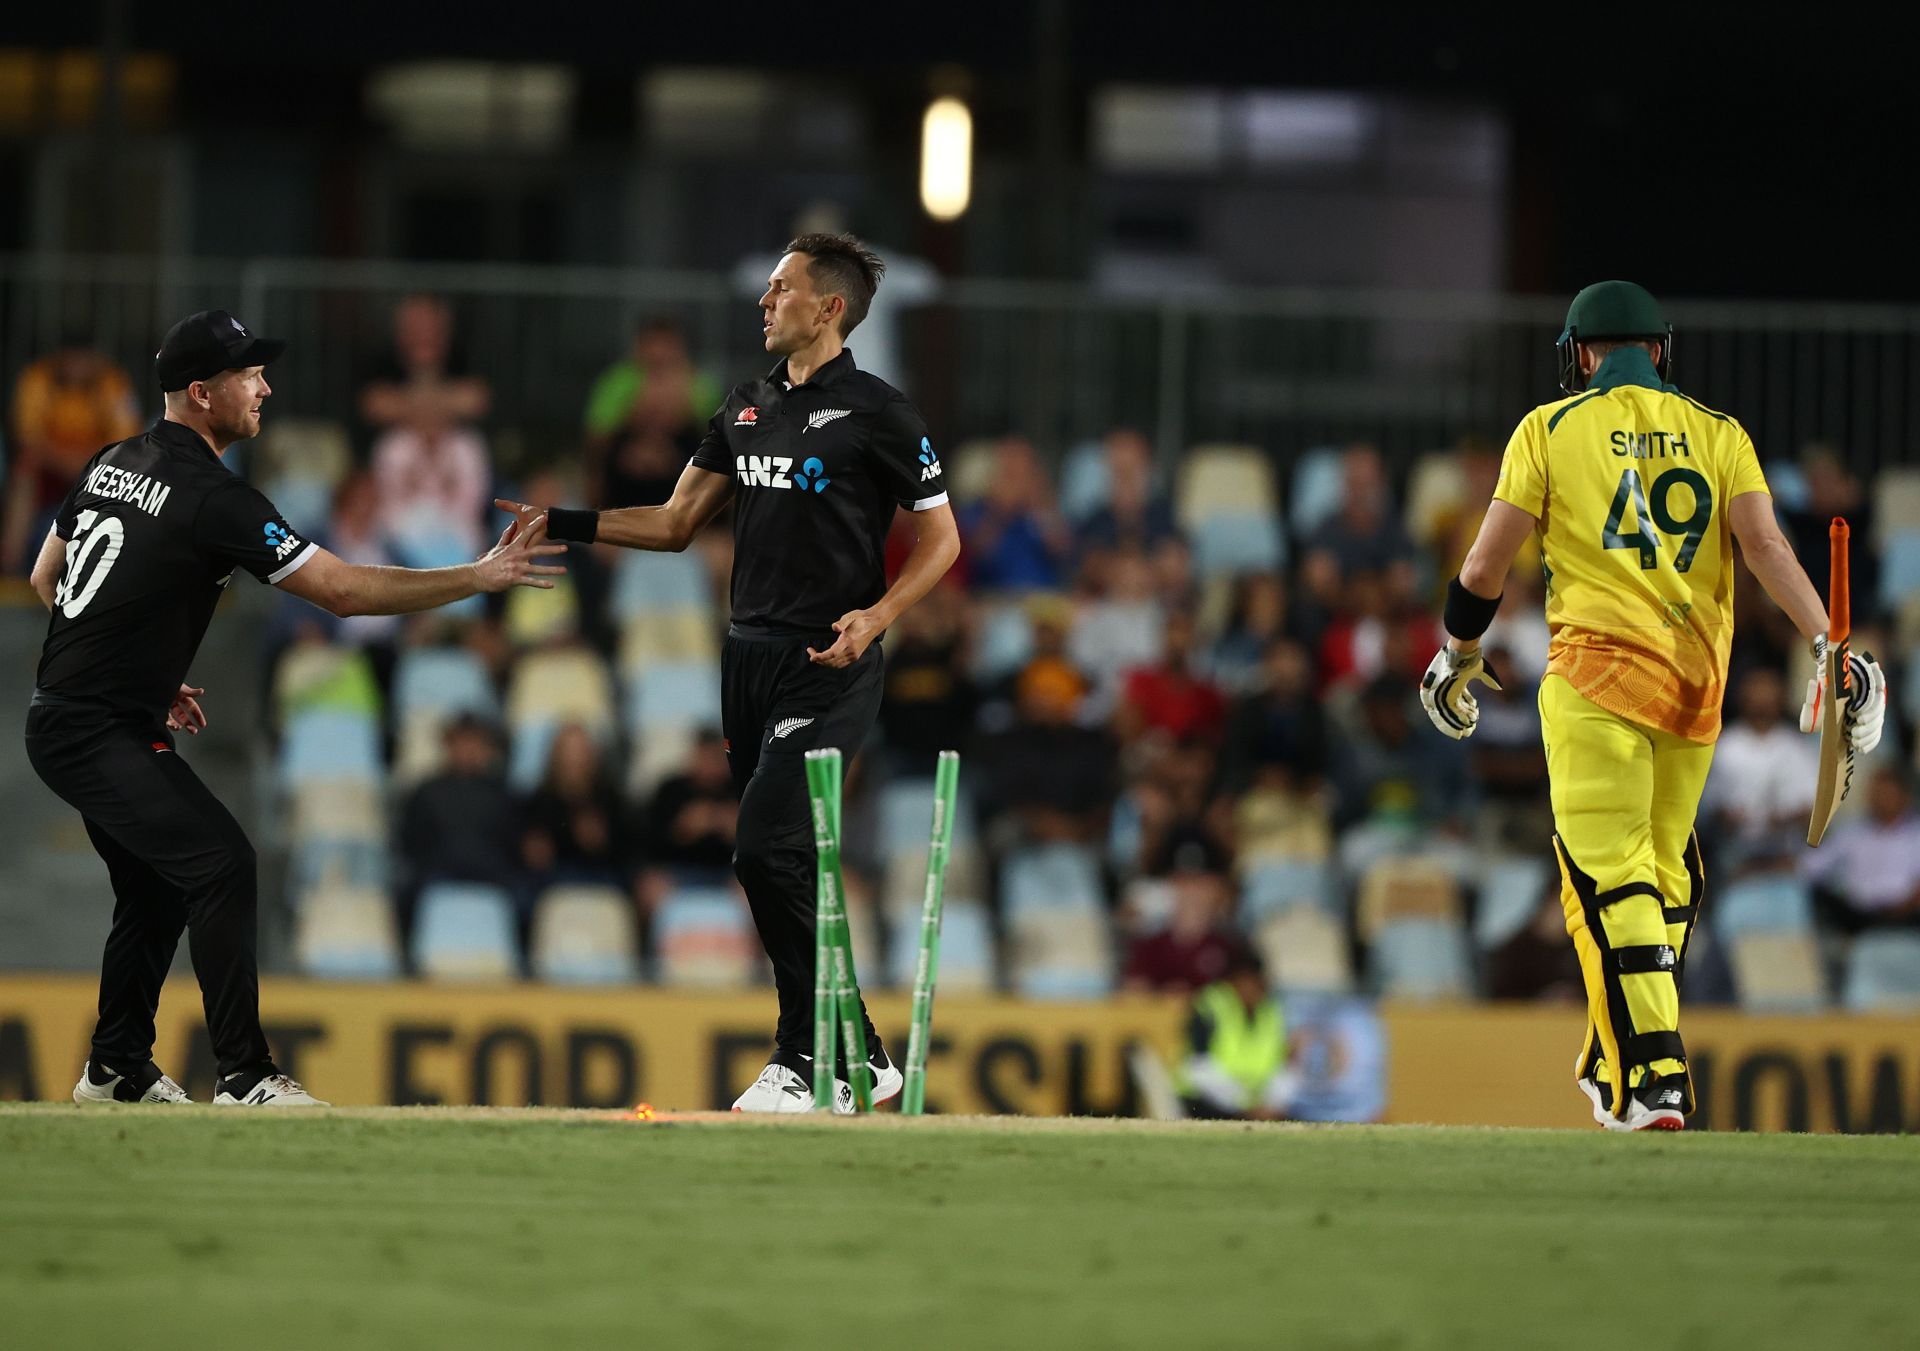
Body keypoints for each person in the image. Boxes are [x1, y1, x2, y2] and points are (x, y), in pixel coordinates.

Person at [25, 310, 564, 1109]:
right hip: (93, 726)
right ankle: (242, 1071)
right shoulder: (217, 497)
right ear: (203, 394)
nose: (265, 385)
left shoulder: (112, 459)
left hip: (78, 712)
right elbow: (342, 594)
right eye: (249, 374)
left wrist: (138, 671)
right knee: (221, 861)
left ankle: (115, 1065)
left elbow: (48, 577)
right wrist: (475, 578)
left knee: (158, 885)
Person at [499, 234, 961, 1113]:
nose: (764, 301)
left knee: (762, 848)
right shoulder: (743, 407)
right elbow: (677, 522)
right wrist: (565, 518)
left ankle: (801, 1052)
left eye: (781, 289)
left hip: (829, 656)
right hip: (743, 656)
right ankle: (856, 1052)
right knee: (785, 862)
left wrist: (876, 616)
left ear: (828, 309)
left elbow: (942, 540)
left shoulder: (880, 413)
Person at [1420, 280, 1889, 1130]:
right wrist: (1830, 642)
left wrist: (1457, 651)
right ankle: (1611, 1062)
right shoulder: (1720, 432)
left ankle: (1660, 1078)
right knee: (1663, 878)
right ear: (1660, 350)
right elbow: (1765, 548)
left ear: (1585, 355)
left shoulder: (1549, 429)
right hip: (1695, 691)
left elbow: (1486, 567)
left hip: (1595, 679)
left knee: (1609, 876)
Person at [4, 335, 142, 572]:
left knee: (127, 476)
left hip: (95, 470)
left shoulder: (112, 383)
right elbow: (29, 437)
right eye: (71, 360)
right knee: (25, 468)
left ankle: (123, 566)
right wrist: (69, 462)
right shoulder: (38, 378)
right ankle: (9, 562)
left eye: (83, 360)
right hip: (51, 468)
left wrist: (83, 464)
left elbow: (124, 442)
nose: (77, 367)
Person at [1173, 945, 1295, 1121]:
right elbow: (1199, 1068)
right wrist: (1245, 1105)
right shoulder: (1210, 1005)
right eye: (1248, 981)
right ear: (1234, 981)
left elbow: (1283, 1068)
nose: (1252, 988)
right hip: (1206, 1099)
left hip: (1256, 1104)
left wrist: (1272, 1104)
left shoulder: (1271, 1011)